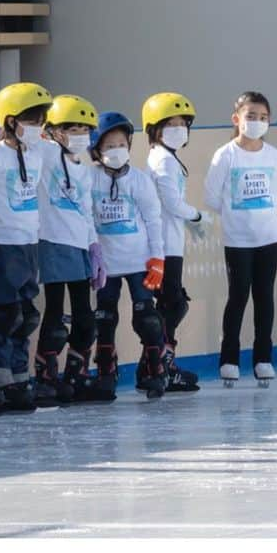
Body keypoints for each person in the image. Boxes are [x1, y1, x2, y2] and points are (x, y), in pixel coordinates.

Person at [0, 81, 53, 411]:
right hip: (3, 243)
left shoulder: (36, 154)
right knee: (7, 312)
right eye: (31, 122)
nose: (37, 129)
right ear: (10, 122)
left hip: (28, 242)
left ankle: (19, 373)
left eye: (40, 122)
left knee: (29, 314)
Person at [204, 92, 277, 388]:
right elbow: (212, 196)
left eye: (263, 117)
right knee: (238, 296)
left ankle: (263, 359)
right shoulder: (225, 155)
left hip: (268, 236)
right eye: (251, 116)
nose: (257, 122)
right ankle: (229, 360)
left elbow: (275, 193)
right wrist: (236, 218)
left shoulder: (274, 155)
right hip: (237, 239)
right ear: (236, 119)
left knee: (265, 296)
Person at [88, 111, 168, 400]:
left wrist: (158, 259)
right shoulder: (90, 179)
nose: (117, 151)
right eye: (110, 146)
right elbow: (86, 218)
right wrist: (92, 252)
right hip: (107, 263)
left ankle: (154, 370)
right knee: (105, 317)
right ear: (96, 150)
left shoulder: (140, 180)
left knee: (147, 317)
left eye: (122, 144)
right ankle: (106, 372)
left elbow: (154, 219)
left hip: (138, 261)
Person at [32, 94, 104, 405]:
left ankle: (76, 372)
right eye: (73, 129)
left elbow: (86, 210)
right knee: (56, 313)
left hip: (78, 244)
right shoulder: (47, 154)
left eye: (84, 130)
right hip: (52, 241)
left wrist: (94, 246)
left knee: (86, 317)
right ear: (56, 132)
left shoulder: (83, 168)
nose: (80, 136)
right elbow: (32, 138)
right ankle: (46, 373)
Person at [143, 91, 207, 393]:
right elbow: (171, 201)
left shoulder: (166, 158)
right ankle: (160, 366)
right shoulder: (163, 160)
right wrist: (196, 216)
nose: (179, 129)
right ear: (155, 128)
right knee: (172, 305)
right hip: (165, 245)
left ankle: (156, 364)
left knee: (171, 304)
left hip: (171, 241)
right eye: (171, 123)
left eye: (183, 123)